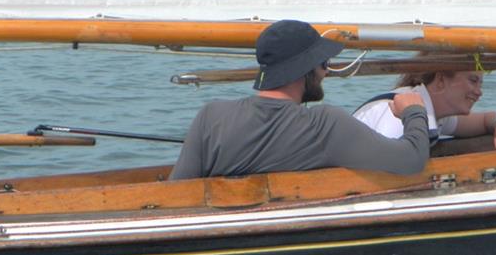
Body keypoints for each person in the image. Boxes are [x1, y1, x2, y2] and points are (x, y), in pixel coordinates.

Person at [170, 20, 431, 179]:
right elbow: (411, 160)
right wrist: (414, 112)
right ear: (304, 68)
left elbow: (178, 191)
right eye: (323, 62)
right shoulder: (326, 125)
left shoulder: (211, 116)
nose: (326, 71)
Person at [353, 65, 496, 151]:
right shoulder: (398, 115)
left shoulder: (435, 113)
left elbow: (486, 120)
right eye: (472, 81)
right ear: (441, 80)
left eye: (480, 83)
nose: (479, 92)